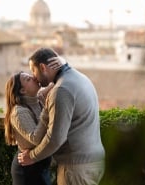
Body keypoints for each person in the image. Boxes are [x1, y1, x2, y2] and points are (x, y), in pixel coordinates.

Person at [18, 47, 106, 185]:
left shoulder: (61, 90)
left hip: (75, 168)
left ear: (42, 67)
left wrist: (32, 157)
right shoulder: (80, 78)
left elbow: (55, 138)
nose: (34, 77)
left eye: (33, 71)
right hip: (94, 162)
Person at [4, 57, 65, 185]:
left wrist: (62, 65)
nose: (33, 77)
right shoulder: (19, 111)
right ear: (22, 90)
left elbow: (54, 82)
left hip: (40, 164)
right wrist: (47, 108)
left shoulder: (37, 99)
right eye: (28, 79)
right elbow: (35, 138)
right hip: (27, 169)